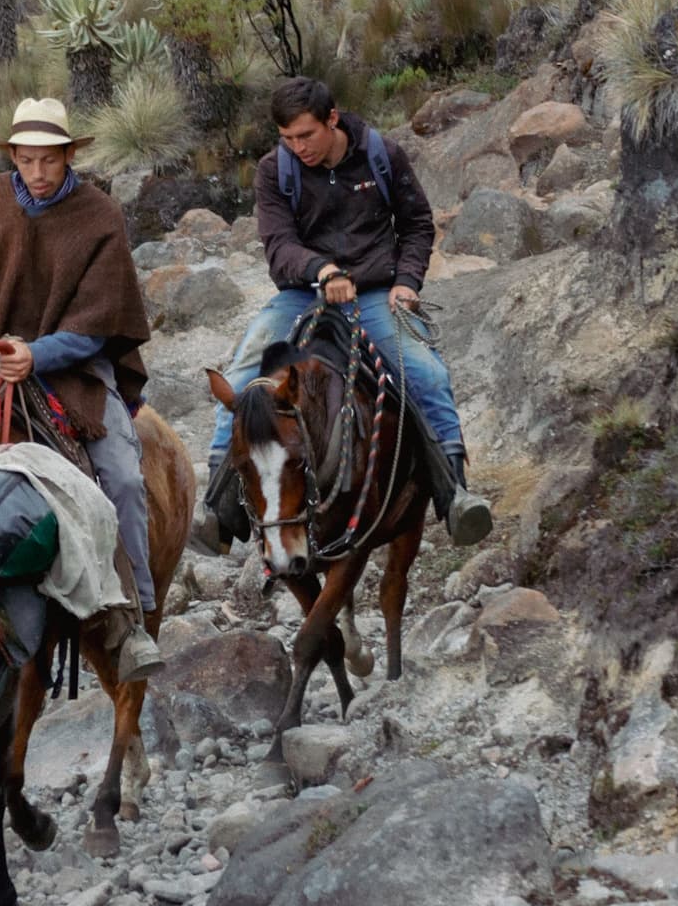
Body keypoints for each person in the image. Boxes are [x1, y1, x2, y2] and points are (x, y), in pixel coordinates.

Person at [0, 96, 165, 683]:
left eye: (49, 161)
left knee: (123, 477)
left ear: (69, 155)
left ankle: (134, 618)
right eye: (26, 162)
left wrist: (39, 353)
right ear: (14, 158)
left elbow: (101, 323)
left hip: (71, 370)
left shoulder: (98, 215)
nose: (38, 174)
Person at [200, 74, 493, 550]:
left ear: (331, 118)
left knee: (424, 371)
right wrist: (323, 270)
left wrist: (406, 282)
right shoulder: (276, 171)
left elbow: (417, 224)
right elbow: (279, 247)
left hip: (375, 293)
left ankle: (455, 495)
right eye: (288, 138)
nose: (298, 148)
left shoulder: (381, 154)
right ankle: (217, 505)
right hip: (303, 293)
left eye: (306, 135)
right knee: (242, 374)